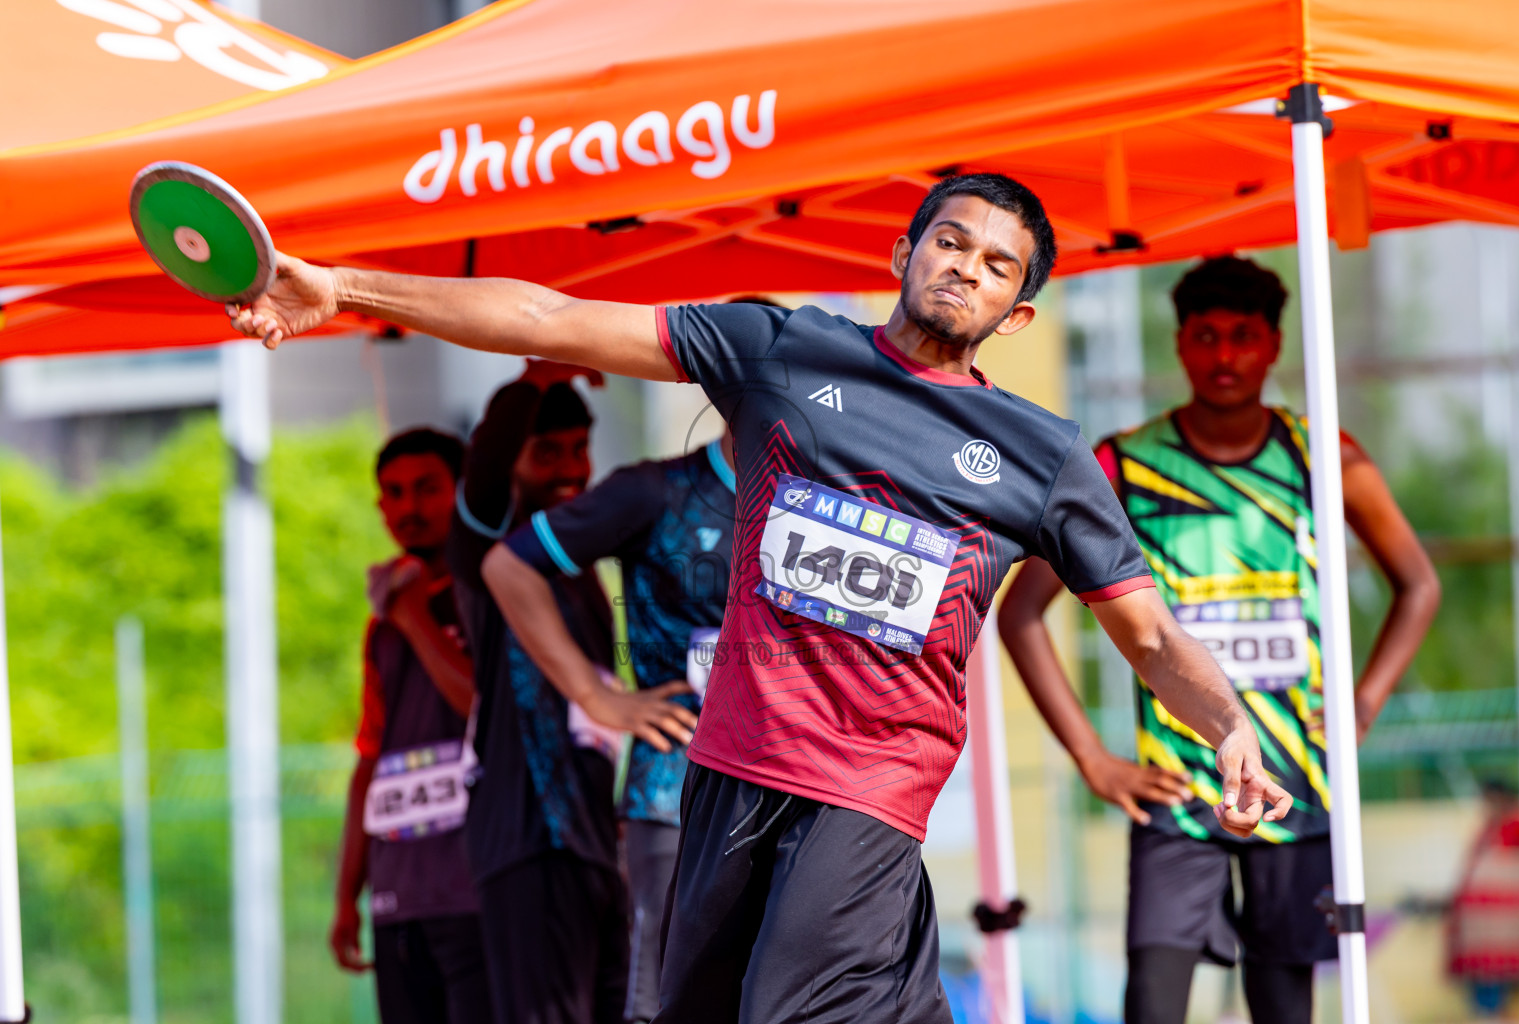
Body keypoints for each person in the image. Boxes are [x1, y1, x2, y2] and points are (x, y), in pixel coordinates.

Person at [231, 172, 1294, 1024]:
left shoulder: (1042, 453)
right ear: (904, 253)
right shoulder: (780, 350)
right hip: (730, 770)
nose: (967, 267)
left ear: (1018, 312)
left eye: (996, 264)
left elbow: (1147, 635)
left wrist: (1229, 726)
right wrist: (343, 288)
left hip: (869, 792)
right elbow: (549, 318)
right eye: (952, 241)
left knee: (794, 1008)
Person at [997, 256, 1441, 1024]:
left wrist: (1362, 702)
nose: (1225, 356)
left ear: (1273, 345)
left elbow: (1419, 585)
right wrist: (1091, 759)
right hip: (1178, 786)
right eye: (1206, 336)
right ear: (1180, 346)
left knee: (1285, 1005)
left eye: (1243, 336)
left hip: (1293, 780)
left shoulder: (1321, 457)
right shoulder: (1124, 465)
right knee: (1154, 1006)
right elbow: (1019, 613)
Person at [446, 367, 692, 1024]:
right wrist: (534, 373)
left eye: (577, 448)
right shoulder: (493, 544)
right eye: (545, 452)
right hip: (530, 838)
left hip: (593, 846)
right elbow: (489, 458)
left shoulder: (577, 564)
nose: (567, 468)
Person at [490, 421, 737, 1023]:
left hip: (799, 804)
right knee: (662, 1006)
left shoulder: (834, 500)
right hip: (674, 795)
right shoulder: (657, 491)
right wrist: (595, 697)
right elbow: (507, 567)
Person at [332, 427, 492, 1024]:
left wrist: (413, 615)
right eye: (393, 494)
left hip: (477, 889)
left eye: (426, 489)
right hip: (399, 902)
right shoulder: (383, 626)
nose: (408, 508)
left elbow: (481, 705)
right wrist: (348, 896)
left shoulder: (489, 592)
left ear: (461, 491)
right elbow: (369, 759)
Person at [1447, 780, 1519, 1020]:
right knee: (1482, 965)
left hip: (1506, 915)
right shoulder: (1489, 827)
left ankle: (1495, 1009)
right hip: (1479, 915)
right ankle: (1486, 1009)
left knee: (1498, 965)